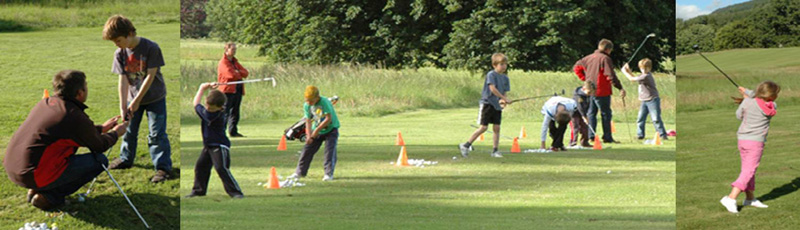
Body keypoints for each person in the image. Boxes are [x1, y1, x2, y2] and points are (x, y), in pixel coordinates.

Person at [3, 70, 128, 210]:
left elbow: (77, 132)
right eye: (86, 87)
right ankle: (48, 196)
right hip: (33, 174)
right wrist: (116, 133)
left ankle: (36, 188)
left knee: (61, 152)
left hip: (13, 167)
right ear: (80, 93)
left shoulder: (47, 102)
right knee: (100, 161)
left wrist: (101, 128)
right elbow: (100, 145)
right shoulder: (72, 115)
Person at [102, 15, 173, 183]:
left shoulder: (151, 48)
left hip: (154, 97)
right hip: (132, 99)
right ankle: (125, 159)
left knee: (157, 134)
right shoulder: (119, 53)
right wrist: (123, 106)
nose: (116, 44)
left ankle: (162, 168)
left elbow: (150, 76)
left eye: (118, 40)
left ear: (129, 34)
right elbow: (123, 80)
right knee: (128, 129)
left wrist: (136, 101)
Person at [720, 81, 780, 213]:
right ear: (772, 96)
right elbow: (758, 98)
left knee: (748, 170)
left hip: (742, 140)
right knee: (748, 171)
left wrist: (746, 97)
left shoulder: (747, 102)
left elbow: (739, 116)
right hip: (755, 142)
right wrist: (747, 92)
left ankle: (750, 198)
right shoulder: (772, 105)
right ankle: (731, 197)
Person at [186, 83, 244, 198]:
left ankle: (236, 192)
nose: (209, 109)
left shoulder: (214, 116)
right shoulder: (213, 110)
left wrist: (202, 88)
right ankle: (198, 191)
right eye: (208, 106)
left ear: (219, 107)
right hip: (208, 146)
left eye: (212, 108)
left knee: (221, 168)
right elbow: (198, 104)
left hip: (219, 145)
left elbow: (196, 104)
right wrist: (205, 87)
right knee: (200, 167)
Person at [458, 53, 513, 158]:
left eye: (505, 64)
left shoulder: (506, 78)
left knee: (497, 127)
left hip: (497, 106)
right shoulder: (491, 75)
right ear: (494, 65)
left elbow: (504, 92)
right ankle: (466, 145)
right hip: (487, 104)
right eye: (501, 64)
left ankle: (495, 150)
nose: (504, 66)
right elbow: (492, 89)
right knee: (483, 127)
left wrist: (504, 101)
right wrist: (504, 98)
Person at [573, 39, 626, 143]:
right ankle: (607, 137)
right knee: (605, 113)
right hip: (602, 91)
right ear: (608, 49)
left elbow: (576, 67)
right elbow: (610, 75)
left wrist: (585, 79)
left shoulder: (588, 57)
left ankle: (591, 136)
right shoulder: (605, 58)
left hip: (589, 90)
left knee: (591, 113)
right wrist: (619, 87)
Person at [289, 86, 340, 181]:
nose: (309, 103)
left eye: (311, 100)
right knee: (306, 151)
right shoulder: (307, 105)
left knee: (329, 152)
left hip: (331, 130)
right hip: (316, 129)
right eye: (307, 100)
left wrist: (316, 131)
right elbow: (308, 121)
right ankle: (299, 173)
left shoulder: (324, 102)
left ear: (317, 97)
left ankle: (328, 174)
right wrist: (309, 136)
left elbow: (328, 119)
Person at [621, 58, 668, 140]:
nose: (644, 69)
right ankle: (640, 135)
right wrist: (628, 71)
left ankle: (662, 135)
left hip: (652, 99)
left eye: (646, 68)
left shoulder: (646, 76)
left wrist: (624, 72)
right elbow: (633, 77)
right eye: (642, 68)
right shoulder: (642, 75)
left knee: (656, 119)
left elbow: (631, 79)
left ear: (649, 68)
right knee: (640, 119)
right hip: (644, 100)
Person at [217, 42, 249, 137]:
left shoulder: (235, 62)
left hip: (238, 89)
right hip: (227, 90)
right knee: (225, 111)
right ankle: (221, 131)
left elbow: (246, 73)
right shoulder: (223, 62)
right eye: (233, 49)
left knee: (235, 111)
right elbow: (229, 75)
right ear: (227, 50)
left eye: (235, 50)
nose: (234, 51)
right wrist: (238, 73)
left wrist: (237, 72)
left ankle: (233, 131)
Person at [570, 81, 595, 148]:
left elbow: (588, 105)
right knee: (575, 127)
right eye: (589, 92)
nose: (590, 94)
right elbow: (579, 107)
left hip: (583, 113)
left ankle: (584, 142)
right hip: (574, 113)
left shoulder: (588, 95)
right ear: (584, 89)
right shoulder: (578, 96)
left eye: (591, 93)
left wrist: (585, 115)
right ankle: (573, 142)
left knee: (585, 127)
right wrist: (584, 117)